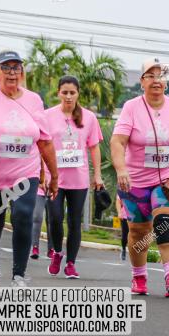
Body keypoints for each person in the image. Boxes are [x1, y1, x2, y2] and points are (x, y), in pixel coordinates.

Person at [0, 49, 58, 291]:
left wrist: (54, 175)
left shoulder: (34, 100)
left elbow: (45, 141)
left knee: (23, 216)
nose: (12, 72)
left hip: (25, 174)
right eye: (6, 67)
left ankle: (18, 275)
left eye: (17, 67)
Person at [111, 58, 169, 297]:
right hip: (135, 182)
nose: (156, 80)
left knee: (167, 225)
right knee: (138, 233)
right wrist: (121, 169)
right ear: (142, 82)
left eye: (160, 76)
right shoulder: (131, 107)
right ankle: (139, 276)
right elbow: (118, 141)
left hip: (167, 181)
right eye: (150, 76)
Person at [44, 75, 104, 279]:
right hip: (55, 179)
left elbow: (94, 148)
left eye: (72, 92)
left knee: (74, 221)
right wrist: (43, 173)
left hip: (78, 179)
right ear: (58, 93)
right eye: (65, 92)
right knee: (55, 218)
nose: (68, 96)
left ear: (78, 94)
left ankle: (71, 263)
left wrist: (98, 175)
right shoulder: (48, 116)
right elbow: (41, 147)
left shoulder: (89, 118)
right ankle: (57, 254)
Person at [116, 193, 129, 261]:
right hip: (125, 216)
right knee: (125, 235)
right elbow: (118, 201)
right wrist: (119, 213)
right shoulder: (123, 188)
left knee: (136, 235)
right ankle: (123, 249)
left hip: (137, 217)